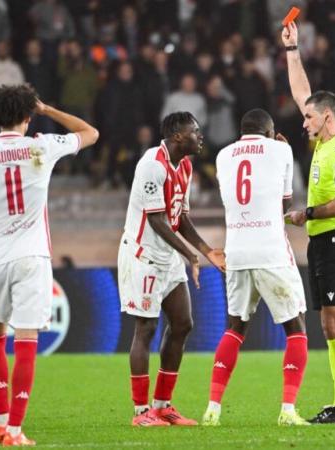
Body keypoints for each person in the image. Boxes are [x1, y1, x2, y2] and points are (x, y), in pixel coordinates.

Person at [0, 84, 99, 445]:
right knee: (26, 339)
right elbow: (90, 134)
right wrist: (49, 110)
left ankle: (1, 422)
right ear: (27, 115)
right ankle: (16, 431)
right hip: (31, 258)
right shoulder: (41, 146)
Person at [201, 108, 309, 427]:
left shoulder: (223, 156)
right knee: (296, 329)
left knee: (234, 328)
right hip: (270, 248)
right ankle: (288, 411)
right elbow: (284, 205)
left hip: (236, 249)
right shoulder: (282, 150)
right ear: (270, 130)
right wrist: (282, 148)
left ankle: (212, 408)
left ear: (242, 131)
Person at [118, 111, 225, 427]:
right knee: (146, 329)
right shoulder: (152, 165)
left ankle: (163, 405)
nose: (200, 135)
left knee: (182, 323)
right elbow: (156, 219)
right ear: (178, 136)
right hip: (144, 255)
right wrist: (190, 256)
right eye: (195, 130)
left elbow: (179, 218)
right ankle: (141, 413)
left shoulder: (186, 165)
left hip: (169, 255)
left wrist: (206, 251)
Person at [282, 20, 335, 424]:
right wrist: (293, 51)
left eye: (310, 117)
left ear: (327, 117)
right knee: (329, 324)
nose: (304, 121)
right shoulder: (326, 142)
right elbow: (301, 94)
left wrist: (306, 214)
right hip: (323, 242)